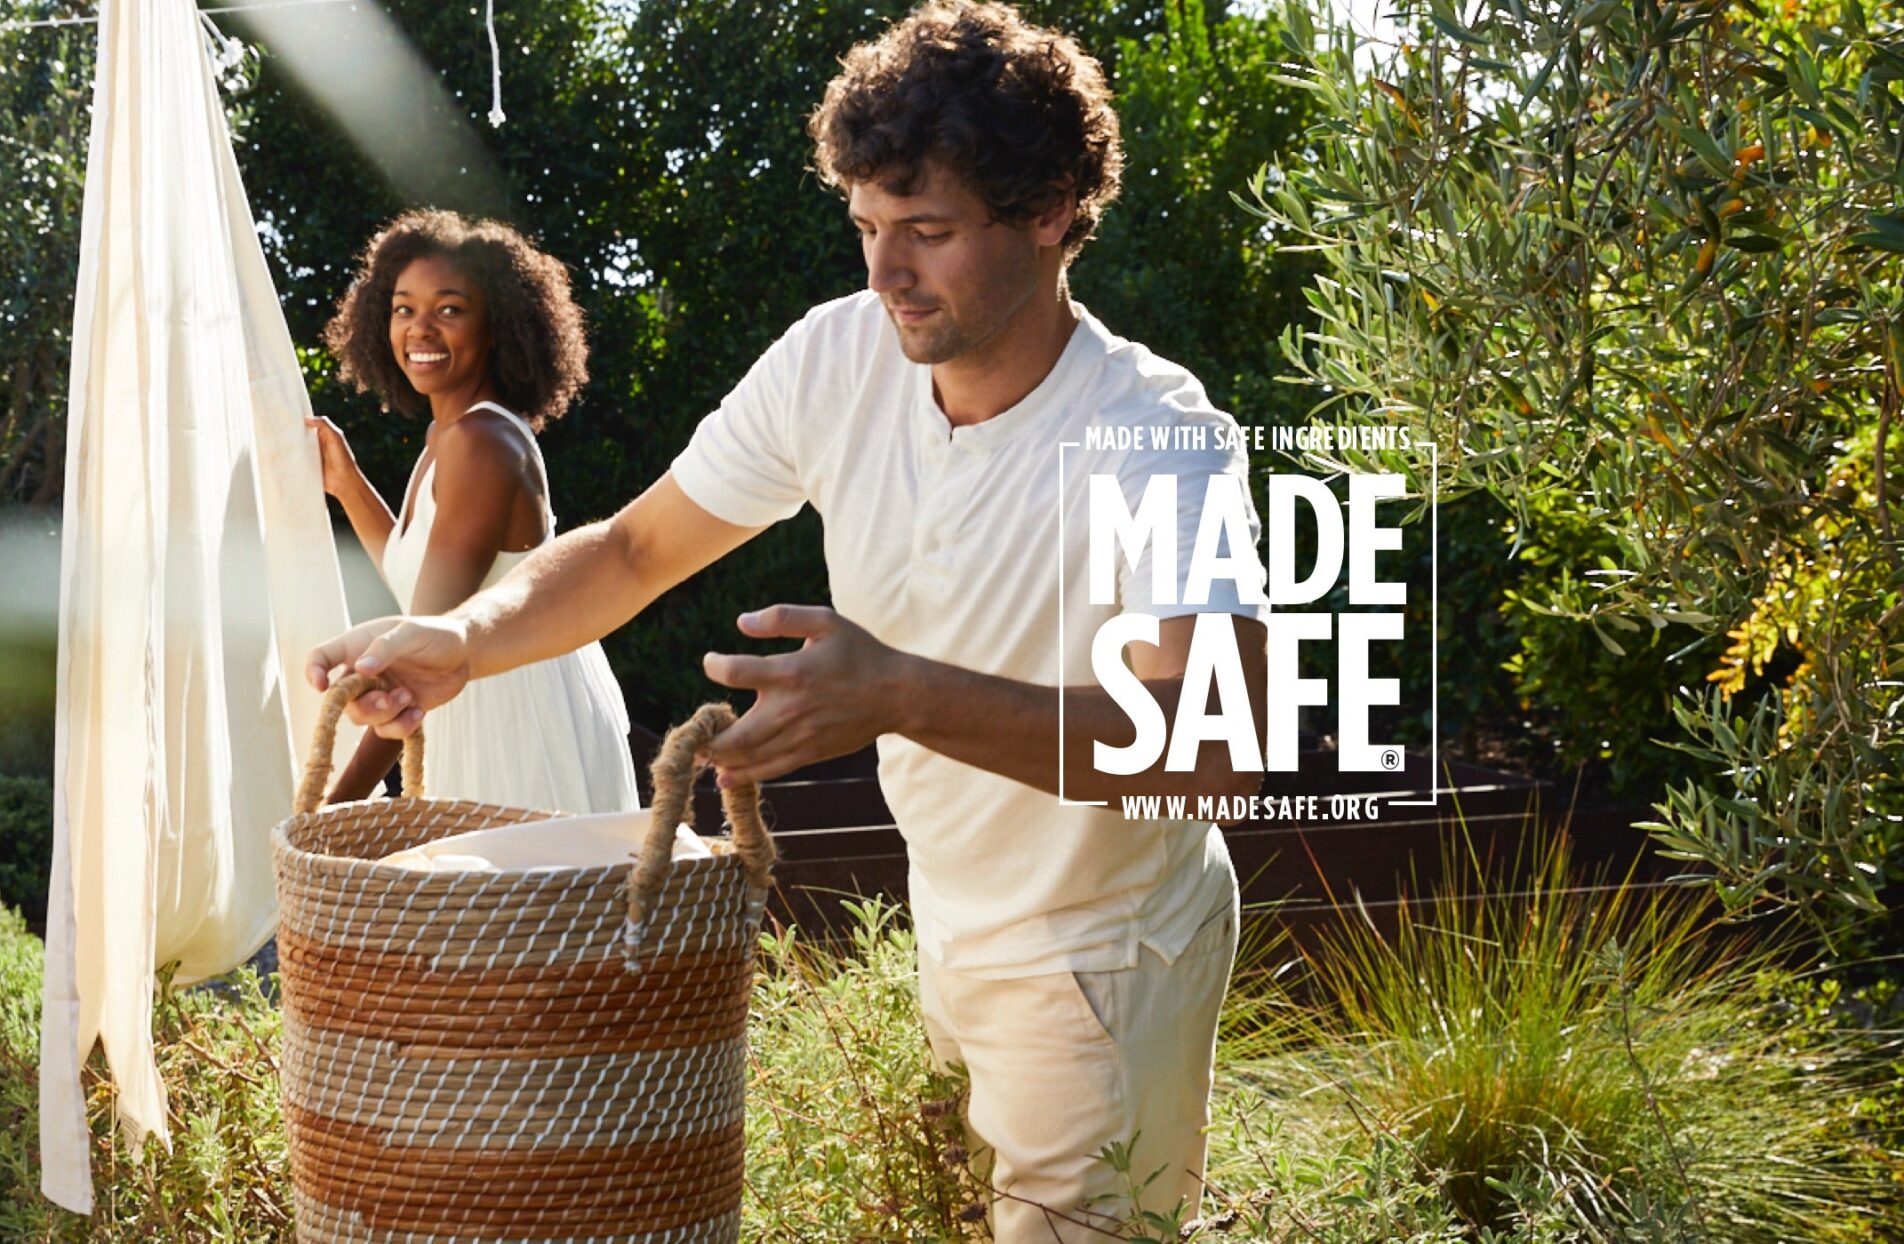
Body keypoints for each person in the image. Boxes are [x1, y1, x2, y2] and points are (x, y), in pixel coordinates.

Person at [305, 4, 1271, 1238]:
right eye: (868, 227)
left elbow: (1208, 751)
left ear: (1049, 213)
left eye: (927, 231)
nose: (885, 273)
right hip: (954, 907)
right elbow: (635, 545)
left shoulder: (1159, 440)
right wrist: (462, 638)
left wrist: (901, 693)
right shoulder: (838, 357)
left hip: (1107, 949)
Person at [305, 210, 639, 816]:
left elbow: (412, 654)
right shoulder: (450, 436)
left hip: (517, 722)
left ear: (498, 327)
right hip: (474, 703)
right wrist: (347, 484)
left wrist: (329, 807)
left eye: (449, 309)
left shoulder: (480, 444)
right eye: (404, 309)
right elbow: (420, 582)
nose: (420, 329)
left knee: (526, 908)